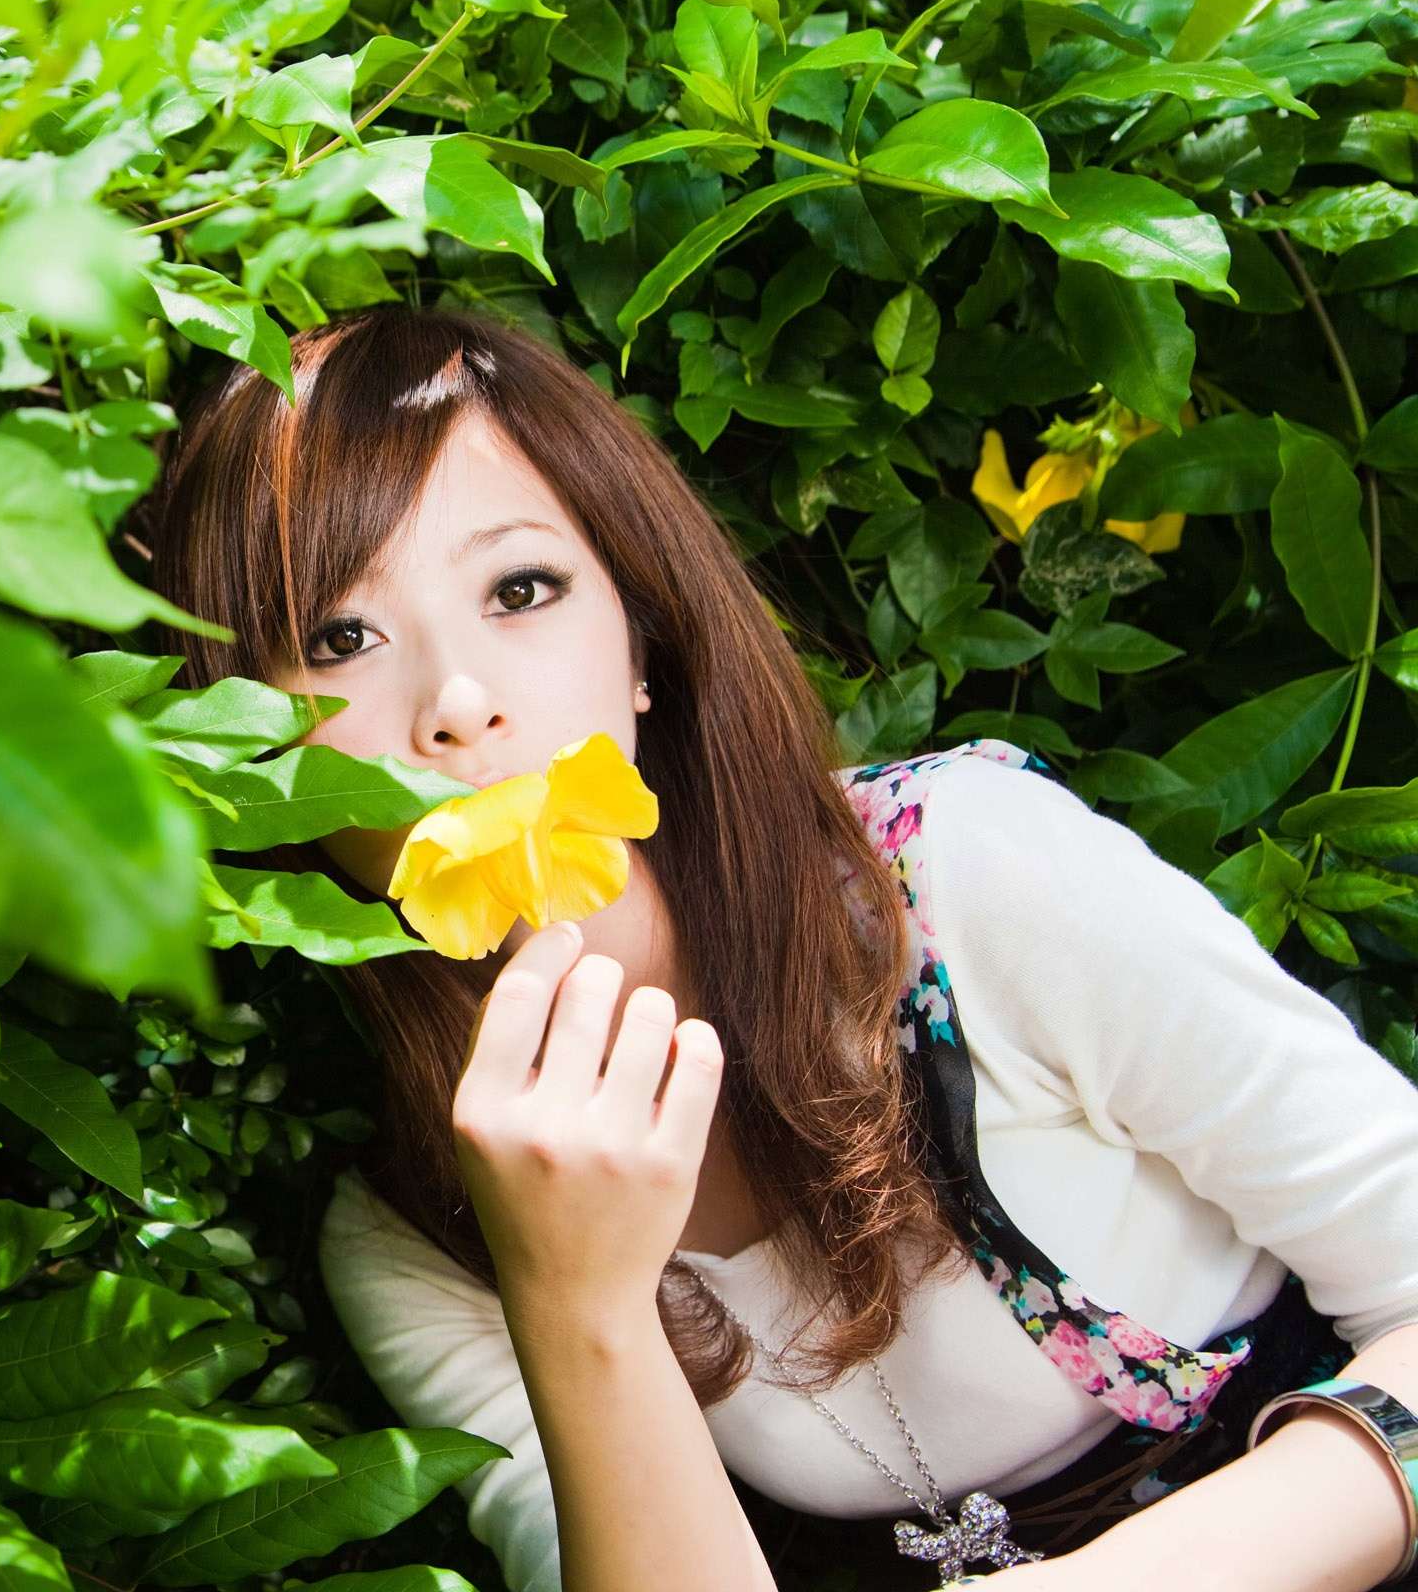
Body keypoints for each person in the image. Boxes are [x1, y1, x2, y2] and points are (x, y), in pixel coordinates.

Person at [129, 303, 1418, 1591]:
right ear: (249, 743)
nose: (460, 707)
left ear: (639, 638)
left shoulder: (958, 879)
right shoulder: (420, 1219)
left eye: (522, 590)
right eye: (337, 641)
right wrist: (575, 1304)